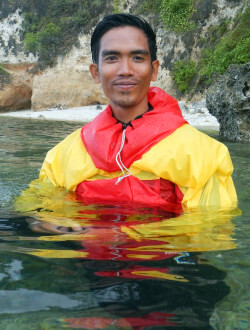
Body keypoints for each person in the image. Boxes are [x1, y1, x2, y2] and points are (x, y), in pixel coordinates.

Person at [38, 13, 237, 211]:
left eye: (137, 58)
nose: (125, 69)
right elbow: (41, 212)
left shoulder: (203, 155)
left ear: (154, 70)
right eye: (112, 58)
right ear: (95, 72)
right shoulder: (60, 157)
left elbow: (211, 229)